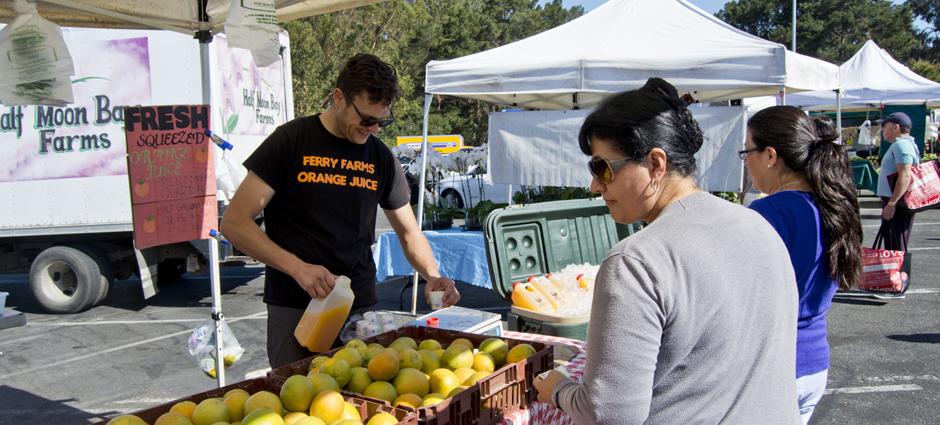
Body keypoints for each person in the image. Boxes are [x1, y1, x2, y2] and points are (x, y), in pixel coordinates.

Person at [532, 78, 800, 425]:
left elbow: (608, 414)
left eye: (602, 168)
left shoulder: (635, 262)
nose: (595, 185)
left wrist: (558, 388)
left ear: (656, 164)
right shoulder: (759, 227)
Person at [221, 54, 460, 368]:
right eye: (366, 119)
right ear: (338, 97)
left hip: (358, 307)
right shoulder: (291, 141)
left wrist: (433, 276)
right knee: (296, 407)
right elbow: (234, 223)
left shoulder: (380, 157)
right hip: (295, 306)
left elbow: (408, 232)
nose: (373, 129)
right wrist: (297, 268)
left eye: (381, 121)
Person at [744, 107, 863, 423]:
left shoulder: (767, 213)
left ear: (770, 155)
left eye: (747, 152)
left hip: (770, 366)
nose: (746, 163)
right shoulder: (836, 205)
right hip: (814, 363)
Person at [876, 112, 920, 251]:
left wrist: (892, 203)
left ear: (896, 127)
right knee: (894, 244)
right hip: (896, 200)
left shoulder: (901, 145)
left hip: (897, 202)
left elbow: (905, 175)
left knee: (896, 246)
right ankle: (896, 272)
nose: (882, 129)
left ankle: (897, 272)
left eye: (885, 125)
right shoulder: (904, 144)